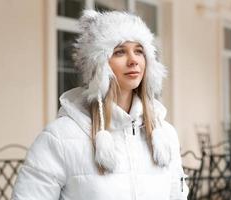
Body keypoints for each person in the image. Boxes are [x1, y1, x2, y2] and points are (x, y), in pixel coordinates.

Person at [12, 9, 189, 200]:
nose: (133, 60)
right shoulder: (60, 137)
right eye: (120, 52)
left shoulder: (165, 136)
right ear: (98, 65)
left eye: (139, 51)